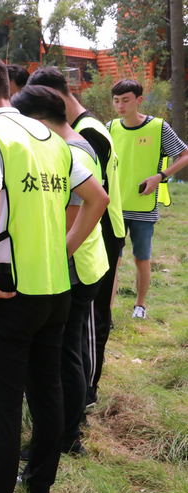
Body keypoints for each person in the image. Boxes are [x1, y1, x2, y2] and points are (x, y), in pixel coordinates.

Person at [0, 50, 108, 493]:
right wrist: (65, 250)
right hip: (56, 289)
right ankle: (39, 487)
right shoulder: (51, 134)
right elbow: (96, 199)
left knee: (2, 404)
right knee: (47, 390)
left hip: (10, 291)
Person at [12, 85, 109, 458]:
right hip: (73, 264)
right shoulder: (70, 144)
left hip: (75, 268)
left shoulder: (68, 149)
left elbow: (70, 217)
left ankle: (68, 435)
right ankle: (63, 429)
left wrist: (58, 254)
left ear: (37, 121)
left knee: (67, 353)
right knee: (65, 352)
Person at [27, 66, 125, 407]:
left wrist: (61, 252)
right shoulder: (82, 129)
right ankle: (78, 400)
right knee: (76, 336)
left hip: (93, 238)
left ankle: (83, 399)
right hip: (89, 236)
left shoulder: (82, 139)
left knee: (86, 332)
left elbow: (90, 200)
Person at [108, 79, 188, 319]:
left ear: (138, 100)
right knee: (113, 262)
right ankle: (107, 311)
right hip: (115, 208)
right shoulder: (109, 128)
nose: (120, 106)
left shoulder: (159, 127)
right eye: (116, 101)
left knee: (142, 258)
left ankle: (140, 306)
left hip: (144, 208)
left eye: (125, 100)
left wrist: (160, 177)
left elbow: (184, 155)